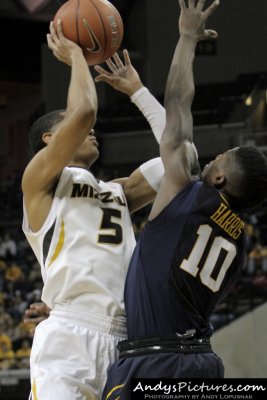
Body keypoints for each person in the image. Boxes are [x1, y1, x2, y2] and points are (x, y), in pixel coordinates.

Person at [102, 0, 267, 398]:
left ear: (220, 178)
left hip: (158, 362)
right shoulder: (238, 243)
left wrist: (187, 37)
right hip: (202, 362)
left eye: (215, 160)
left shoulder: (189, 196)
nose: (207, 160)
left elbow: (178, 104)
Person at [22, 18, 166, 400]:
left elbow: (183, 158)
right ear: (51, 139)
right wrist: (76, 57)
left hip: (127, 339)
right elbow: (84, 110)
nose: (91, 131)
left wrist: (138, 92)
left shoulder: (119, 191)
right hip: (69, 334)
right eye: (75, 129)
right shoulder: (40, 182)